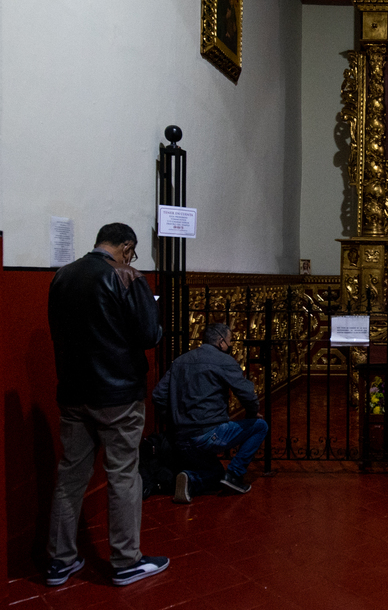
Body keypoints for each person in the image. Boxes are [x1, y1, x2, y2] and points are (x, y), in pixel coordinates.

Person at [45, 223, 169, 587]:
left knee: (69, 477)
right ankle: (126, 560)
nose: (132, 257)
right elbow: (149, 335)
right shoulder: (126, 276)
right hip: (118, 395)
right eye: (132, 251)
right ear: (127, 246)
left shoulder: (62, 276)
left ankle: (59, 561)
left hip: (72, 392)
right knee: (123, 476)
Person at [153, 323, 268, 504]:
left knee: (216, 473)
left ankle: (189, 480)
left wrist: (175, 419)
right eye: (230, 341)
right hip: (209, 434)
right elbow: (247, 394)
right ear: (222, 342)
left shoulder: (181, 361)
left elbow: (158, 395)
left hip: (181, 438)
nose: (230, 345)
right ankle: (235, 475)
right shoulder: (224, 360)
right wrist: (252, 413)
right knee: (260, 426)